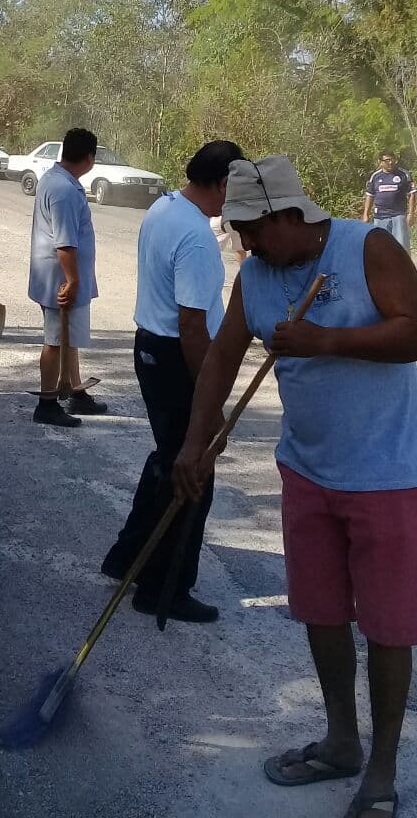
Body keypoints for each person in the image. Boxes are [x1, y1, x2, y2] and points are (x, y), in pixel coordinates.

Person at [175, 155, 417, 818]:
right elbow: (222, 357)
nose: (246, 244)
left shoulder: (367, 248)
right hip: (306, 470)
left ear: (289, 214)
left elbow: (414, 332)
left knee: (389, 626)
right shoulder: (255, 275)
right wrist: (196, 442)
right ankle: (342, 742)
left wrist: (326, 341)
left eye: (253, 230)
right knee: (321, 611)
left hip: (388, 475)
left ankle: (382, 770)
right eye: (239, 232)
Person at [101, 140, 243, 622]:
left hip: (151, 348)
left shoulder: (164, 208)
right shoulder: (197, 236)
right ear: (222, 183)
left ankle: (127, 558)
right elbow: (192, 326)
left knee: (167, 459)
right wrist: (211, 401)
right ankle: (164, 588)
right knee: (192, 469)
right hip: (177, 357)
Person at [28, 126, 107, 427]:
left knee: (67, 337)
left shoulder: (58, 180)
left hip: (59, 274)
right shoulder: (63, 190)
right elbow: (65, 242)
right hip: (59, 278)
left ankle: (75, 391)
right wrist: (73, 280)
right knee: (55, 340)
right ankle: (47, 403)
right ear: (90, 158)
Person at [363, 151, 415, 253]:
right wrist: (366, 214)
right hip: (380, 217)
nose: (391, 162)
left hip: (398, 215)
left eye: (392, 160)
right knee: (381, 246)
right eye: (387, 160)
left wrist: (411, 214)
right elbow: (370, 196)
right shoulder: (375, 176)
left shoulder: (403, 174)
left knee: (401, 246)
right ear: (380, 162)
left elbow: (412, 194)